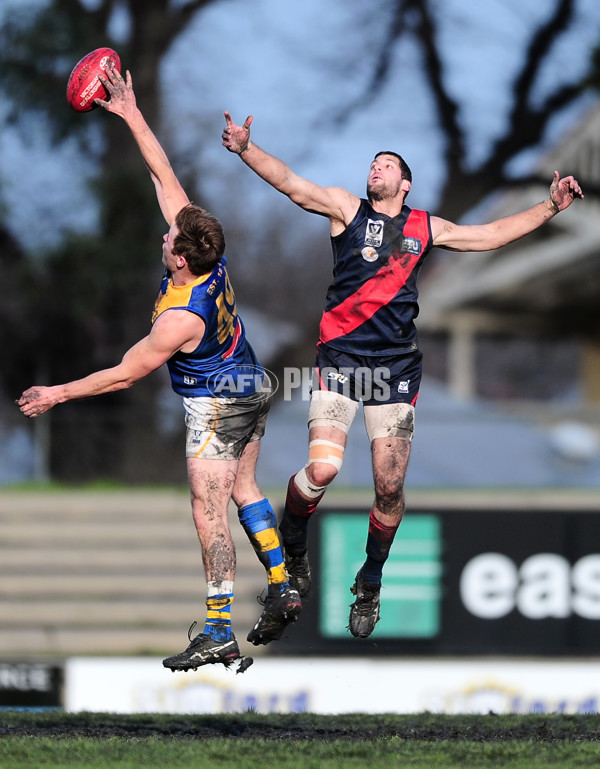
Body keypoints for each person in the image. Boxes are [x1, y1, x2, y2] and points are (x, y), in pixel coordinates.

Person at [221, 111, 584, 640]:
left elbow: (489, 235)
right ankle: (294, 554)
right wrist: (246, 150)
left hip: (394, 370)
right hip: (341, 361)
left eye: (387, 164)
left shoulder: (425, 226)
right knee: (321, 471)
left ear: (405, 183)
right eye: (374, 162)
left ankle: (369, 582)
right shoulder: (346, 208)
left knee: (389, 487)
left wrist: (551, 206)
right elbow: (293, 184)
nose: (377, 168)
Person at [17, 68, 302, 672]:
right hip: (253, 383)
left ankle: (219, 629)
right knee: (246, 490)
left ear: (178, 255)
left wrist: (56, 394)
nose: (164, 228)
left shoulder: (178, 317)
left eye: (169, 233)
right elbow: (163, 175)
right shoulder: (206, 254)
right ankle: (283, 584)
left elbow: (124, 374)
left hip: (219, 402)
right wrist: (128, 112)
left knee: (208, 512)